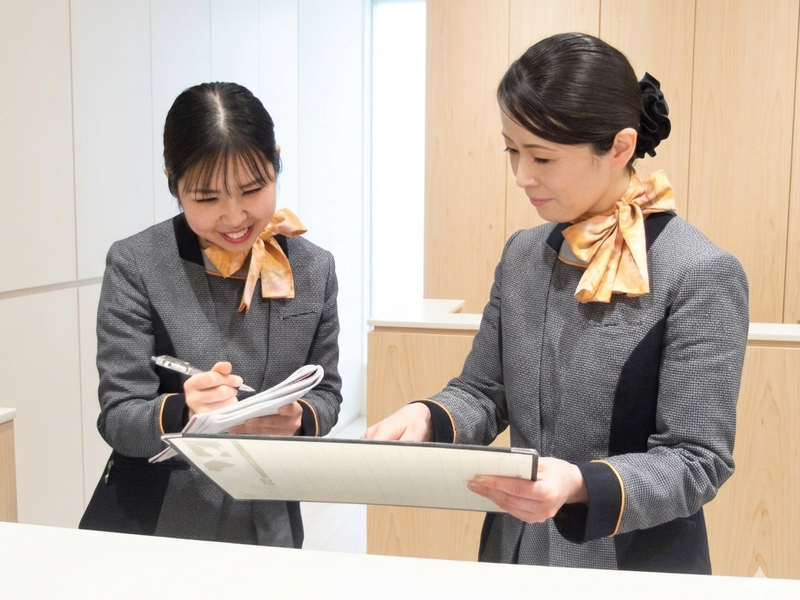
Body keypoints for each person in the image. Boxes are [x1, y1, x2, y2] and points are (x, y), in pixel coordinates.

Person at [364, 32, 749, 574]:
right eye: (512, 150)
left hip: (632, 565)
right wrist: (425, 416)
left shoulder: (699, 271)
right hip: (518, 553)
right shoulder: (523, 254)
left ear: (619, 148)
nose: (522, 176)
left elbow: (697, 460)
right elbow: (483, 390)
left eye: (542, 157)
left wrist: (581, 483)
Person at [80, 82, 342, 547]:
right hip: (154, 527)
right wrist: (183, 410)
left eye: (253, 189)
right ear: (173, 183)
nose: (234, 217)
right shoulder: (137, 264)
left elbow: (328, 394)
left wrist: (300, 416)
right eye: (206, 198)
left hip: (269, 524)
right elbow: (118, 418)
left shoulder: (313, 268)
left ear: (276, 162)